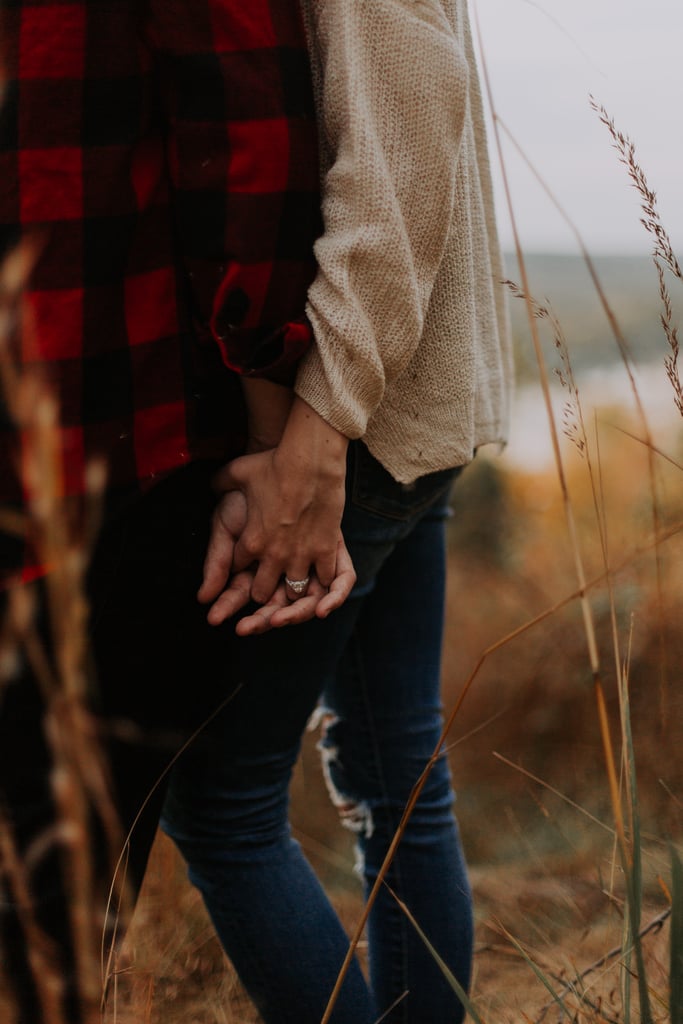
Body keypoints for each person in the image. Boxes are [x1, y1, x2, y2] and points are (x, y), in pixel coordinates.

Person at [0, 3, 512, 1024]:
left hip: (347, 430)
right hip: (409, 411)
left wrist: (313, 433)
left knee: (225, 811)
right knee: (396, 776)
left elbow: (400, 147)